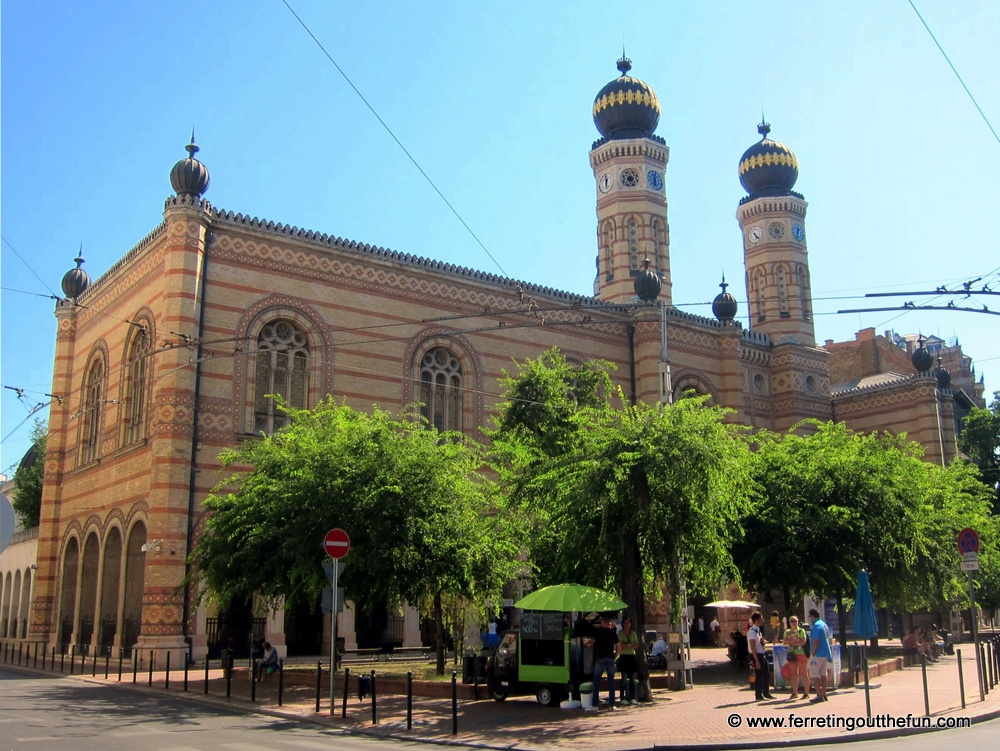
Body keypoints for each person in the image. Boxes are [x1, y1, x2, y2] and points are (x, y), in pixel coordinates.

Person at [587, 613, 618, 711]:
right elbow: (619, 646)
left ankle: (595, 705)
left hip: (600, 658)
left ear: (601, 622)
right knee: (611, 682)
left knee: (596, 682)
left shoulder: (598, 632)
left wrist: (587, 643)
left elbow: (590, 643)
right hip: (610, 658)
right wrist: (615, 656)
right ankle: (611, 705)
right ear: (609, 622)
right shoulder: (612, 632)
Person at [747, 611, 774, 701]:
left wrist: (762, 642)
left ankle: (766, 692)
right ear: (756, 620)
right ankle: (758, 695)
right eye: (761, 619)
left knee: (767, 674)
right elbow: (752, 646)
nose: (762, 620)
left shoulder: (758, 630)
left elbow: (758, 643)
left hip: (761, 653)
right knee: (759, 675)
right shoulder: (752, 631)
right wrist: (756, 660)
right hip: (757, 655)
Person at [782, 615, 810, 699]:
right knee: (794, 674)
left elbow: (803, 642)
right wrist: (796, 640)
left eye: (795, 621)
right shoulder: (787, 631)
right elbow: (785, 642)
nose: (794, 623)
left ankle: (806, 693)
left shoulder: (801, 631)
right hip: (792, 654)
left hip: (801, 653)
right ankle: (794, 692)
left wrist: (792, 642)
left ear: (798, 621)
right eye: (792, 621)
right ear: (789, 622)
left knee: (804, 673)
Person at [808, 608, 832, 702]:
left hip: (818, 653)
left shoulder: (816, 626)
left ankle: (819, 695)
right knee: (823, 673)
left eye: (810, 616)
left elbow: (816, 641)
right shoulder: (824, 624)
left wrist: (812, 653)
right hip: (825, 653)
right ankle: (824, 693)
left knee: (814, 674)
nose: (810, 618)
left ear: (813, 616)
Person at [616, 615, 639, 704]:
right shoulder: (620, 633)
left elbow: (636, 644)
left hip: (631, 656)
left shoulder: (633, 634)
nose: (627, 624)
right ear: (623, 624)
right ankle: (622, 697)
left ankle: (632, 697)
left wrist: (628, 645)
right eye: (625, 622)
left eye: (628, 622)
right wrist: (629, 645)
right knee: (624, 678)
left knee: (632, 678)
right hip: (623, 656)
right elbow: (620, 645)